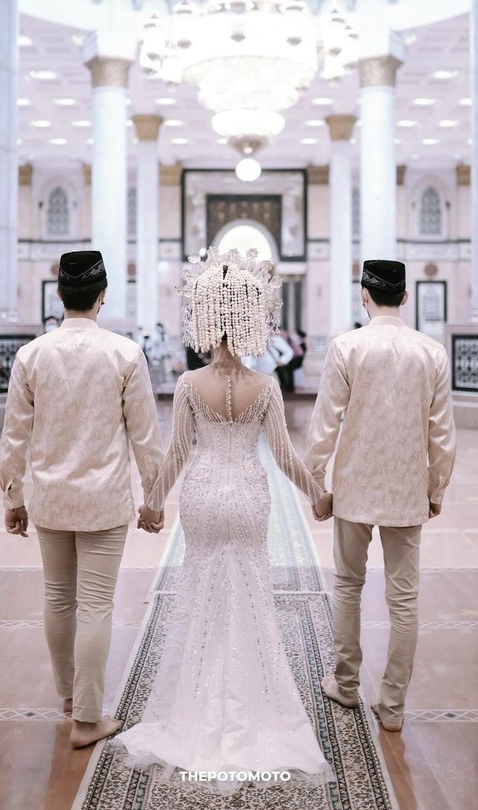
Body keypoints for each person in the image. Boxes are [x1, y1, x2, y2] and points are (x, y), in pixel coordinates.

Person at [112, 247, 334, 794]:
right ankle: (251, 701)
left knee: (201, 589)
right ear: (252, 317)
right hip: (249, 499)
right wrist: (317, 494)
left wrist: (153, 504)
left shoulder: (190, 386)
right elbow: (284, 457)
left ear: (206, 317)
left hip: (206, 495)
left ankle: (198, 700)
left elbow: (178, 453)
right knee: (250, 592)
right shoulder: (266, 386)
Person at [0, 250, 165, 748]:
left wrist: (12, 494)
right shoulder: (124, 354)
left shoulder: (32, 355)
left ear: (59, 295)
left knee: (57, 598)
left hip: (50, 499)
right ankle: (87, 719)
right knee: (94, 604)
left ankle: (69, 697)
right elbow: (145, 437)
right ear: (103, 294)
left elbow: (14, 437)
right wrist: (153, 498)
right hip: (104, 501)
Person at [304, 259, 456, 733]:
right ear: (406, 298)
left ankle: (345, 685)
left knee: (348, 585)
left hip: (354, 487)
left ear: (363, 295)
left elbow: (325, 425)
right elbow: (442, 434)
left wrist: (317, 484)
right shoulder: (431, 352)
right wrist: (436, 488)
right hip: (407, 489)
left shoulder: (347, 347)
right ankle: (392, 706)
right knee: (404, 598)